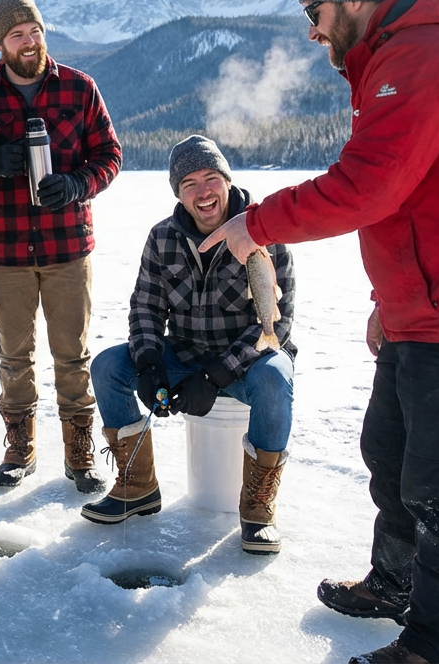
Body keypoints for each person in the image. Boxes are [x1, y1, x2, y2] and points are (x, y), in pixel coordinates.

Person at [201, 0, 439, 664]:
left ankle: (438, 646)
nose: (313, 31)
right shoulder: (396, 56)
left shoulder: (423, 54)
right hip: (424, 306)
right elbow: (413, 197)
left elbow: (370, 185)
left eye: (316, 12)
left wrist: (257, 224)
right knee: (391, 454)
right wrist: (386, 299)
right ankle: (397, 583)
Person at [83, 136, 297, 555]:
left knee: (276, 377)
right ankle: (137, 486)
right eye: (189, 184)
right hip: (182, 353)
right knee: (109, 366)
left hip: (245, 363)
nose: (203, 192)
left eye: (211, 178)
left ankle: (258, 509)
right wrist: (149, 363)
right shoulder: (162, 238)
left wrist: (216, 375)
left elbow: (278, 323)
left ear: (227, 181)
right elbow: (146, 308)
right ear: (178, 194)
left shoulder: (264, 233)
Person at [0, 0, 122, 492]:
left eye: (35, 31)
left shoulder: (79, 88)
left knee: (73, 355)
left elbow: (110, 156)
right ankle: (19, 447)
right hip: (5, 252)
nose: (29, 42)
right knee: (14, 356)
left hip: (68, 246)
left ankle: (79, 450)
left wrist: (76, 184)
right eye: (17, 35)